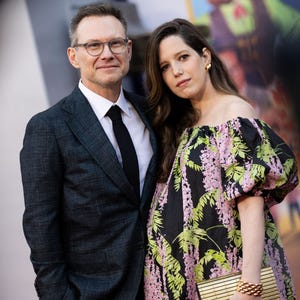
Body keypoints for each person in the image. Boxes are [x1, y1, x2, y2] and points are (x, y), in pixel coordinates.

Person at [143, 18, 298, 300]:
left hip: (230, 281)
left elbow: (250, 203)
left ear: (205, 57)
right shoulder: (181, 123)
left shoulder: (234, 113)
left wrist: (249, 286)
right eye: (165, 67)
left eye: (183, 57)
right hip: (188, 280)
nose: (176, 71)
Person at [20, 3, 157, 300]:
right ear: (74, 56)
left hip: (164, 283)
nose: (106, 53)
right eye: (93, 45)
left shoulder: (150, 113)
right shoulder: (49, 128)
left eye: (115, 43)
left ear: (129, 50)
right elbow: (41, 225)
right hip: (94, 292)